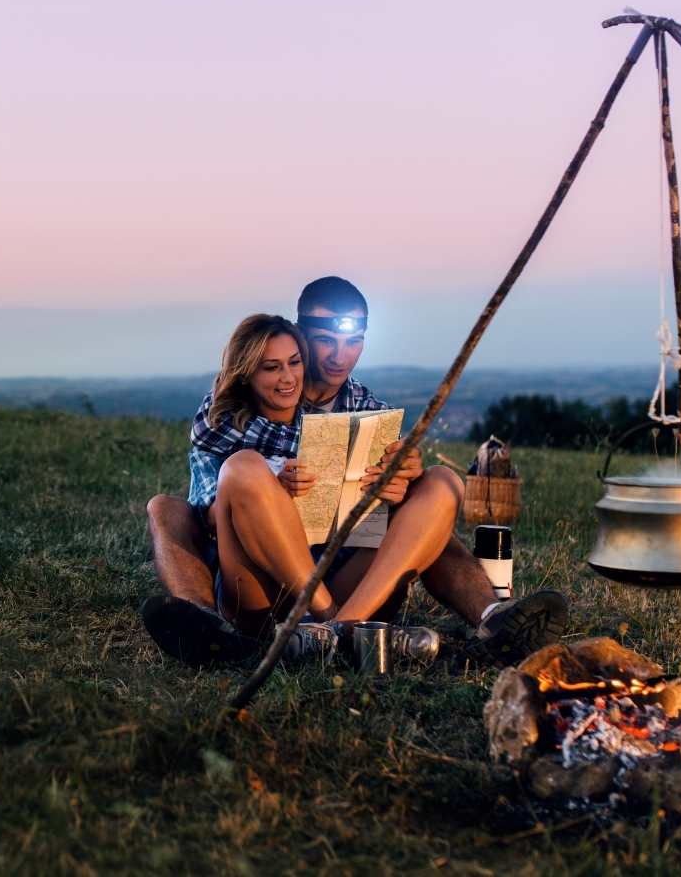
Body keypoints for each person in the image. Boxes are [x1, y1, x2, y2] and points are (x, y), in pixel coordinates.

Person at [141, 276, 567, 667]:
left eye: (353, 342)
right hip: (261, 586)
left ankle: (483, 618)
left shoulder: (368, 411)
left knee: (441, 482)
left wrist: (404, 482)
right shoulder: (232, 411)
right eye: (325, 341)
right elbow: (207, 518)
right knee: (184, 497)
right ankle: (219, 626)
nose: (340, 356)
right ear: (300, 334)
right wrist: (273, 486)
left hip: (351, 582)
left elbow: (404, 524)